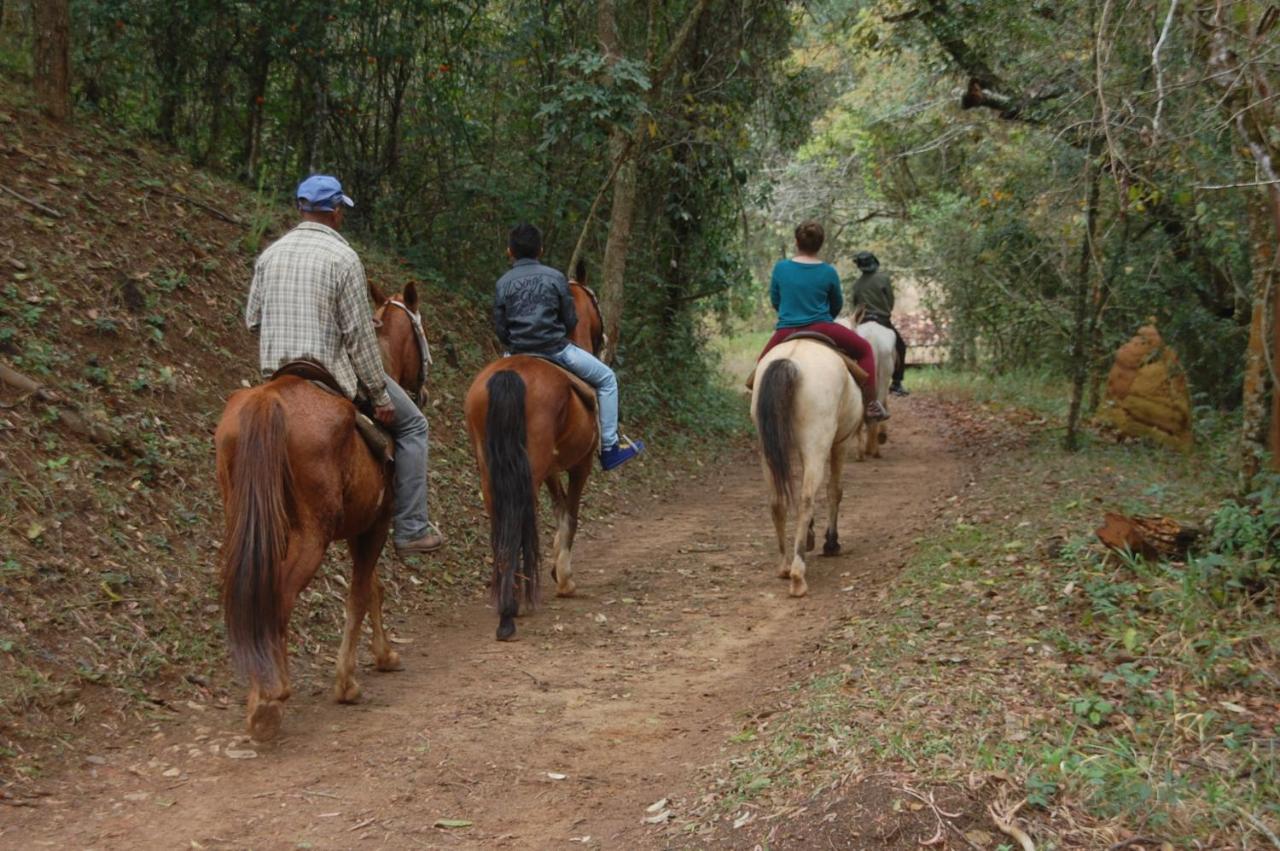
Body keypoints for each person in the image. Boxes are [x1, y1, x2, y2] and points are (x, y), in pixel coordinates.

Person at [245, 174, 444, 556]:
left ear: (300, 209)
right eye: (341, 210)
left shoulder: (270, 255)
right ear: (336, 212)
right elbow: (357, 337)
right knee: (416, 426)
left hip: (278, 373)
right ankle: (412, 527)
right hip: (330, 375)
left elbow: (253, 319)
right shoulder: (344, 258)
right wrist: (380, 394)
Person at [493, 223, 644, 471]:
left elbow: (500, 328)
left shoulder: (502, 283)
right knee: (607, 379)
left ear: (510, 252)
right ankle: (609, 448)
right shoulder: (555, 278)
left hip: (516, 352)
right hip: (555, 350)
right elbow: (570, 320)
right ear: (540, 250)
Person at [757, 222, 889, 421]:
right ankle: (871, 405)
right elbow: (836, 305)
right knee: (864, 349)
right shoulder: (828, 271)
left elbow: (776, 301)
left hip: (786, 330)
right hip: (822, 327)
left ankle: (757, 398)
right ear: (820, 244)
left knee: (761, 366)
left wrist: (790, 314)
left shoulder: (781, 268)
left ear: (796, 242)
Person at [851, 251, 909, 396]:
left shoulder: (857, 285)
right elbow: (890, 301)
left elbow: (855, 305)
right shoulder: (883, 278)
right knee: (900, 346)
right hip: (881, 319)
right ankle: (896, 383)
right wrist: (885, 310)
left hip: (863, 320)